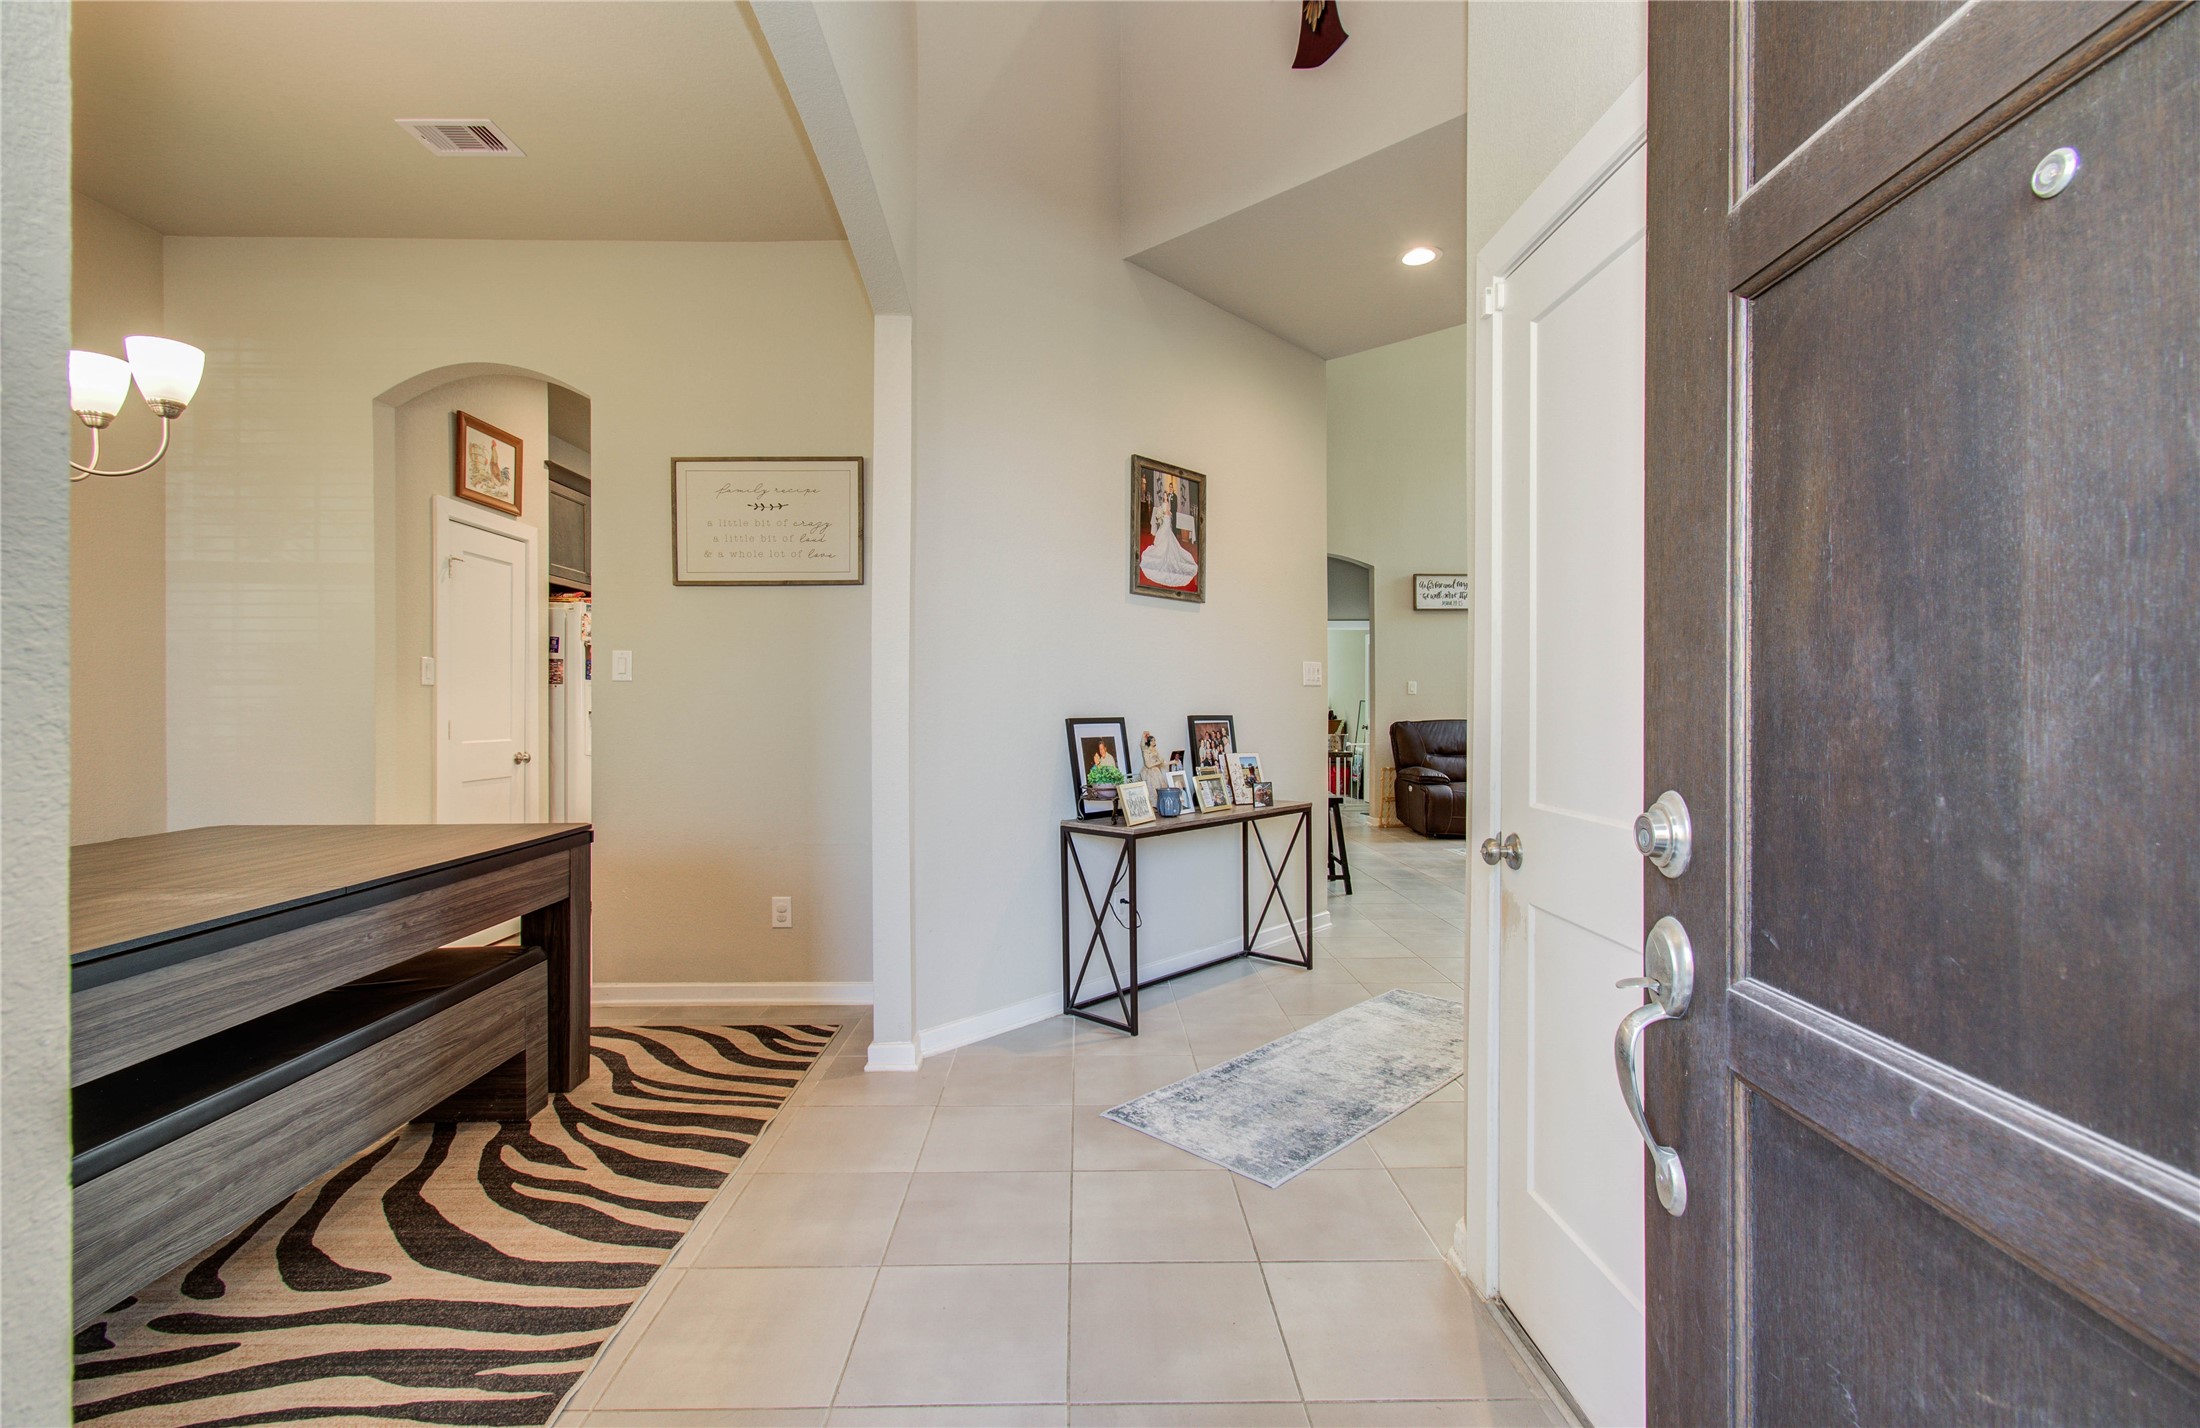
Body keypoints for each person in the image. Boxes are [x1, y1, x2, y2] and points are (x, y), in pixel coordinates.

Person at [1138, 475, 1199, 589]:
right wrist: (1161, 515)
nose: (1166, 496)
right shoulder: (1163, 504)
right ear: (1164, 496)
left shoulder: (1171, 500)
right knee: (1164, 538)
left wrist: (1166, 515)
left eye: (1167, 494)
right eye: (1165, 495)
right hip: (1164, 522)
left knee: (1168, 538)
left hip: (1167, 521)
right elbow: (1162, 511)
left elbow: (1170, 512)